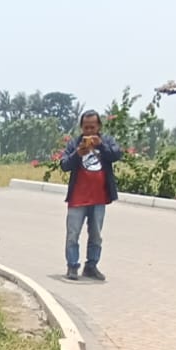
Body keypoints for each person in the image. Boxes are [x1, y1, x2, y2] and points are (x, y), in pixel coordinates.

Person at [58, 110, 121, 281]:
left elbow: (117, 155)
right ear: (81, 128)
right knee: (73, 234)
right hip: (77, 199)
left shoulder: (105, 141)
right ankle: (72, 266)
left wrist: (100, 146)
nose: (89, 132)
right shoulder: (75, 144)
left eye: (92, 127)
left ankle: (91, 266)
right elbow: (64, 165)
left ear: (99, 126)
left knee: (96, 235)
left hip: (99, 198)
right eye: (86, 128)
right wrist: (77, 154)